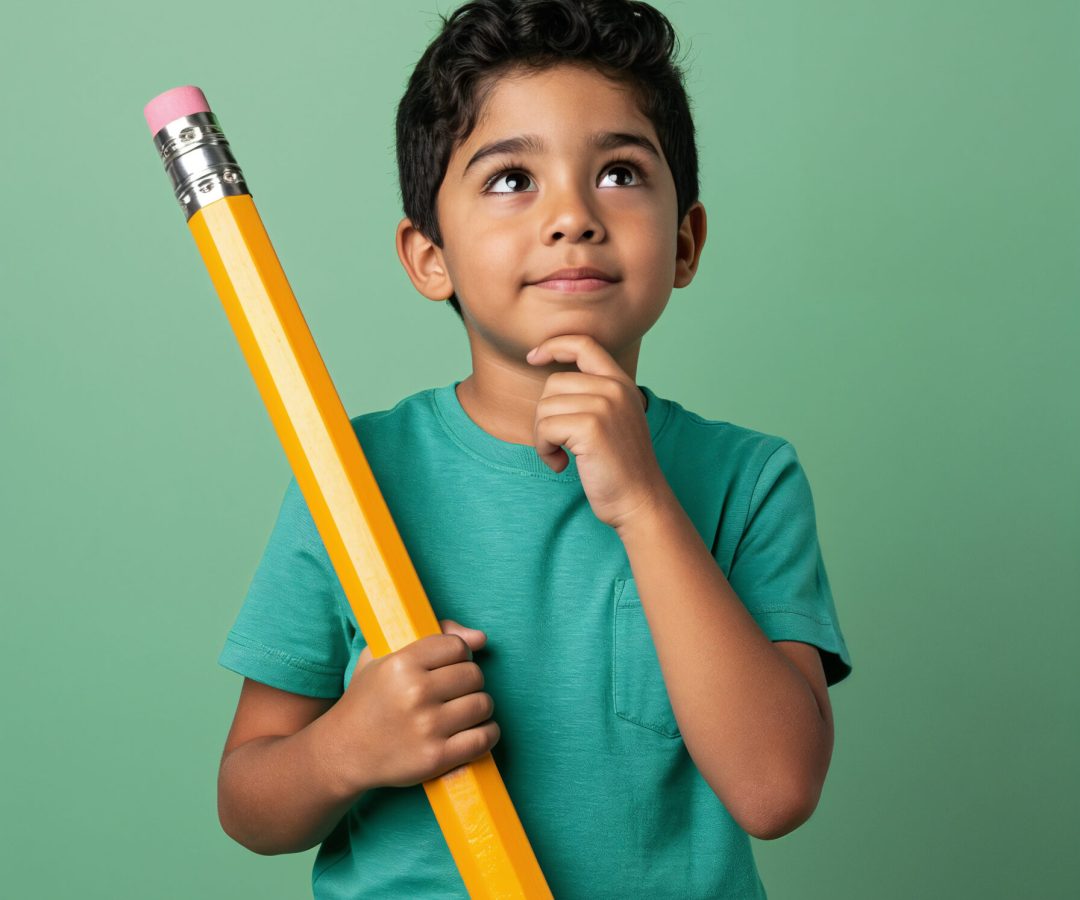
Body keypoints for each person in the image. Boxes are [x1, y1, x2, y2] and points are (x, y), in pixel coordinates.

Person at [215, 1, 854, 896]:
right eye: (512, 179)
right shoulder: (351, 473)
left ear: (686, 242)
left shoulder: (749, 479)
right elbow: (247, 801)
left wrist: (643, 503)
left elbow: (777, 789)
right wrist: (341, 752)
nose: (573, 216)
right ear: (427, 256)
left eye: (621, 172)